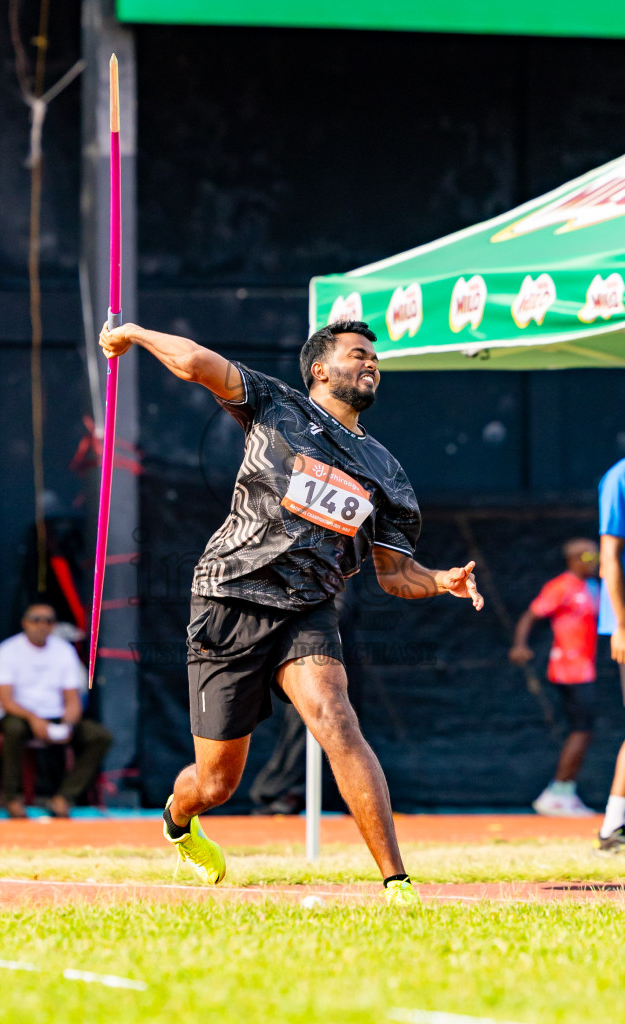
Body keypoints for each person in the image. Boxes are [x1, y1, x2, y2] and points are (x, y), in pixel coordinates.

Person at [100, 317, 484, 906]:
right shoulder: (276, 406)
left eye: (374, 358)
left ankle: (396, 883)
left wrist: (440, 581)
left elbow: (396, 575)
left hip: (308, 608)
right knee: (216, 782)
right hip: (230, 596)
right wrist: (135, 334)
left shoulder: (387, 473)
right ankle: (178, 819)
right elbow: (199, 361)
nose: (370, 364)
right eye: (358, 355)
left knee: (336, 718)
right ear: (320, 369)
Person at [0, 603, 112, 819]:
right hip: (20, 715)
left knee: (99, 736)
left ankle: (63, 798)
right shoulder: (7, 650)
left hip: (55, 715)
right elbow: (5, 700)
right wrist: (34, 719)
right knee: (13, 730)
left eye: (48, 620)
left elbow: (72, 698)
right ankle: (11, 799)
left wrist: (67, 723)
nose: (42, 625)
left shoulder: (63, 651)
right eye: (36, 619)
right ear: (24, 622)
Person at [509, 538, 600, 817]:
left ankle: (563, 791)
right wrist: (520, 645)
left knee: (583, 729)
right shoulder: (560, 586)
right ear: (574, 559)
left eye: (595, 558)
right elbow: (530, 616)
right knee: (581, 729)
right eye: (588, 559)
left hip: (585, 667)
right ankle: (559, 792)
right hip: (568, 669)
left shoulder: (593, 588)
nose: (593, 563)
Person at [595, 459, 625, 852]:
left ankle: (613, 827)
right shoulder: (618, 476)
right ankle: (613, 827)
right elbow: (608, 558)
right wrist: (621, 624)